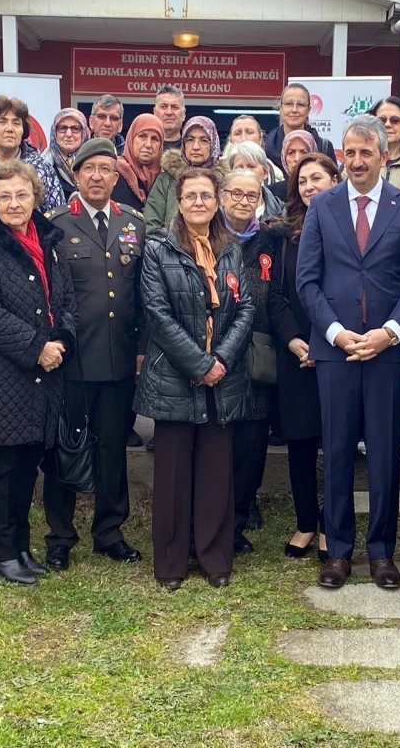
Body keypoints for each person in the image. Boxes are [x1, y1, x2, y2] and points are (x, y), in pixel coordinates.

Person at [297, 115, 400, 591]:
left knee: (383, 454)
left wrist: (389, 333)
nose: (356, 161)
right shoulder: (322, 205)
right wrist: (335, 333)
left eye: (365, 153)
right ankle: (337, 551)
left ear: (384, 156)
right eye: (349, 153)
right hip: (335, 351)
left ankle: (381, 552)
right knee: (334, 451)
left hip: (385, 353)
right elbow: (306, 280)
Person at [0, 159, 76, 586]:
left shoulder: (49, 242)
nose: (13, 203)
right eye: (4, 196)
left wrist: (62, 338)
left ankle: (20, 548)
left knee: (26, 466)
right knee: (3, 471)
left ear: (36, 197)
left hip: (40, 377)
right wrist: (36, 347)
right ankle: (0, 555)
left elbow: (65, 300)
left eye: (21, 194)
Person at [135, 167, 254, 591]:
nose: (199, 203)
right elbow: (157, 314)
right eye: (191, 196)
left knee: (215, 473)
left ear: (217, 200)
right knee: (171, 475)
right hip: (174, 376)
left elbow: (245, 309)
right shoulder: (157, 249)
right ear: (179, 202)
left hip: (224, 376)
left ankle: (215, 558)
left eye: (206, 195)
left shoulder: (232, 250)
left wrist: (219, 358)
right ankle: (170, 564)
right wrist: (198, 364)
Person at [41, 138, 146, 570]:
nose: (99, 176)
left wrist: (141, 351)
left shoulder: (134, 224)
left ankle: (109, 531)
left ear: (116, 176)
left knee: (111, 451)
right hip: (73, 361)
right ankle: (60, 535)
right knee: (64, 448)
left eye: (106, 169)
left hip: (120, 358)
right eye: (90, 169)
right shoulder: (55, 224)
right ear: (77, 175)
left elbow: (141, 294)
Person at [269, 153, 341, 559]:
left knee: (336, 441)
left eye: (318, 178)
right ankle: (305, 523)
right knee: (300, 441)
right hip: (295, 351)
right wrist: (296, 340)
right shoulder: (283, 234)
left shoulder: (351, 228)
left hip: (337, 349)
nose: (310, 186)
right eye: (302, 181)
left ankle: (333, 524)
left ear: (335, 178)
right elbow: (275, 295)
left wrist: (326, 342)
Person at [219, 167, 279, 554]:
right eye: (235, 194)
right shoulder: (207, 233)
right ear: (222, 195)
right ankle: (216, 519)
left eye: (250, 195)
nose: (242, 202)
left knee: (252, 446)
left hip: (258, 353)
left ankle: (240, 517)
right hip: (217, 354)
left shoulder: (271, 238)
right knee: (219, 445)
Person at [0, 95, 64, 213]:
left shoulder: (42, 170)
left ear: (23, 132)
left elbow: (57, 215)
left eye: (16, 123)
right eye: (2, 122)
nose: (10, 129)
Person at [145, 116, 220, 234]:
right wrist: (161, 249)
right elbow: (150, 223)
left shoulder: (224, 182)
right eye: (190, 139)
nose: (196, 147)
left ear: (214, 144)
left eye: (204, 140)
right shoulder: (166, 180)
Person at [265, 83, 337, 172]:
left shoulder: (323, 147)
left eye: (300, 104)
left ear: (308, 110)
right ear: (280, 108)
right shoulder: (266, 148)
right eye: (289, 103)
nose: (294, 110)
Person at [113, 113, 165, 212]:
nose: (148, 145)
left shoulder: (166, 179)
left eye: (155, 139)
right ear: (131, 139)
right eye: (142, 136)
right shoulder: (113, 172)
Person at [222, 141, 286, 220]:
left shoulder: (282, 212)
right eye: (240, 167)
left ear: (265, 172)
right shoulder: (218, 215)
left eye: (251, 166)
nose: (246, 171)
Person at [44, 108, 91, 201]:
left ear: (84, 132)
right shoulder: (43, 165)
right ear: (54, 132)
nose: (68, 134)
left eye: (75, 128)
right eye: (63, 128)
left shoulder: (94, 160)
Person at [269, 129, 318, 203]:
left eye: (304, 152)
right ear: (284, 157)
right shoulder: (271, 194)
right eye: (291, 153)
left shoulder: (321, 190)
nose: (297, 158)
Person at [154, 85, 187, 150]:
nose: (169, 112)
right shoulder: (146, 148)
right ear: (155, 113)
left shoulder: (191, 150)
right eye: (163, 107)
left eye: (175, 107)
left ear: (183, 114)